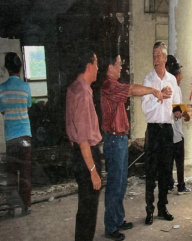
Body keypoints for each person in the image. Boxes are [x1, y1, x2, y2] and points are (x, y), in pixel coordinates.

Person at [101, 48, 166, 241]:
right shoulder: (108, 85)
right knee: (114, 184)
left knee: (121, 183)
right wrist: (154, 90)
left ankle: (118, 219)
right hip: (113, 140)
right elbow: (131, 90)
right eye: (119, 63)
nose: (121, 67)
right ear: (110, 67)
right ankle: (111, 226)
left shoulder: (114, 84)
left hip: (120, 139)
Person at [141, 42, 180, 225]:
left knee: (165, 171)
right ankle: (149, 210)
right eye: (154, 55)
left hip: (167, 131)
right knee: (151, 171)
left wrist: (181, 111)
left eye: (159, 56)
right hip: (154, 130)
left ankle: (162, 207)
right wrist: (159, 95)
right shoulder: (148, 81)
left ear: (165, 58)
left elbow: (176, 105)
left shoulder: (172, 79)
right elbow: (145, 109)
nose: (156, 59)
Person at [65, 47, 102, 241]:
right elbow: (83, 140)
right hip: (87, 156)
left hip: (79, 155)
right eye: (96, 63)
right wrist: (93, 170)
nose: (98, 67)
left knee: (84, 207)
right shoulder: (83, 94)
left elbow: (73, 136)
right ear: (89, 66)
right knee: (88, 211)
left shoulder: (74, 88)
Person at [0, 52, 32, 216]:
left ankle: (12, 209)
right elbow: (28, 106)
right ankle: (26, 206)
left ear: (6, 68)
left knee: (12, 174)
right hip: (25, 137)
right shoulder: (26, 87)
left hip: (11, 137)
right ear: (20, 67)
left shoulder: (2, 89)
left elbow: (3, 111)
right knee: (25, 172)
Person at [165, 55, 191, 194]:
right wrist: (184, 112)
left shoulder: (165, 87)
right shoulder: (176, 89)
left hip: (169, 133)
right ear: (178, 75)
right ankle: (180, 186)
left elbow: (179, 110)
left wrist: (184, 111)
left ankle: (169, 184)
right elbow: (178, 111)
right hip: (176, 133)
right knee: (179, 162)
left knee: (169, 161)